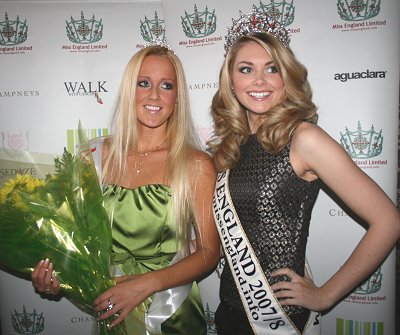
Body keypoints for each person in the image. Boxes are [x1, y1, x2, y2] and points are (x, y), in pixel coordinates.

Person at [208, 8, 400, 335]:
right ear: (232, 81)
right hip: (228, 312)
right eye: (246, 69)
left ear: (286, 77)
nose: (259, 80)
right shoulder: (230, 146)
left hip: (278, 318)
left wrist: (325, 294)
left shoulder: (303, 139)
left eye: (272, 68)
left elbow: (389, 221)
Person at [31, 42, 220, 334]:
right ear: (128, 90)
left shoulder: (195, 164)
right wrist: (58, 273)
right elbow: (75, 240)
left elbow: (209, 252)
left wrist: (145, 285)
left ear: (178, 97)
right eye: (143, 83)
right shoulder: (92, 157)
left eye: (166, 85)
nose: (154, 95)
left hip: (170, 315)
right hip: (111, 308)